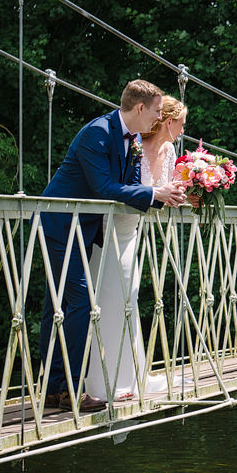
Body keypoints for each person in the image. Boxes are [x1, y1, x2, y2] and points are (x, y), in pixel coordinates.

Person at [38, 80, 185, 413]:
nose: (159, 118)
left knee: (61, 305)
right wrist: (154, 194)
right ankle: (68, 392)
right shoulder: (98, 133)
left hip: (84, 228)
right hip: (61, 225)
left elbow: (131, 187)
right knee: (72, 304)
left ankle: (54, 388)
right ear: (140, 108)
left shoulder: (131, 138)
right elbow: (104, 187)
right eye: (157, 111)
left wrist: (166, 197)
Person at [84, 95, 189, 401]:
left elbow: (165, 196)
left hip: (133, 234)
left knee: (129, 302)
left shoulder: (169, 151)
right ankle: (103, 383)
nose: (183, 131)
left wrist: (192, 191)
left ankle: (133, 376)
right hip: (110, 231)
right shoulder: (134, 147)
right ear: (168, 122)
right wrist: (158, 193)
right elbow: (120, 189)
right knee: (108, 303)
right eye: (181, 125)